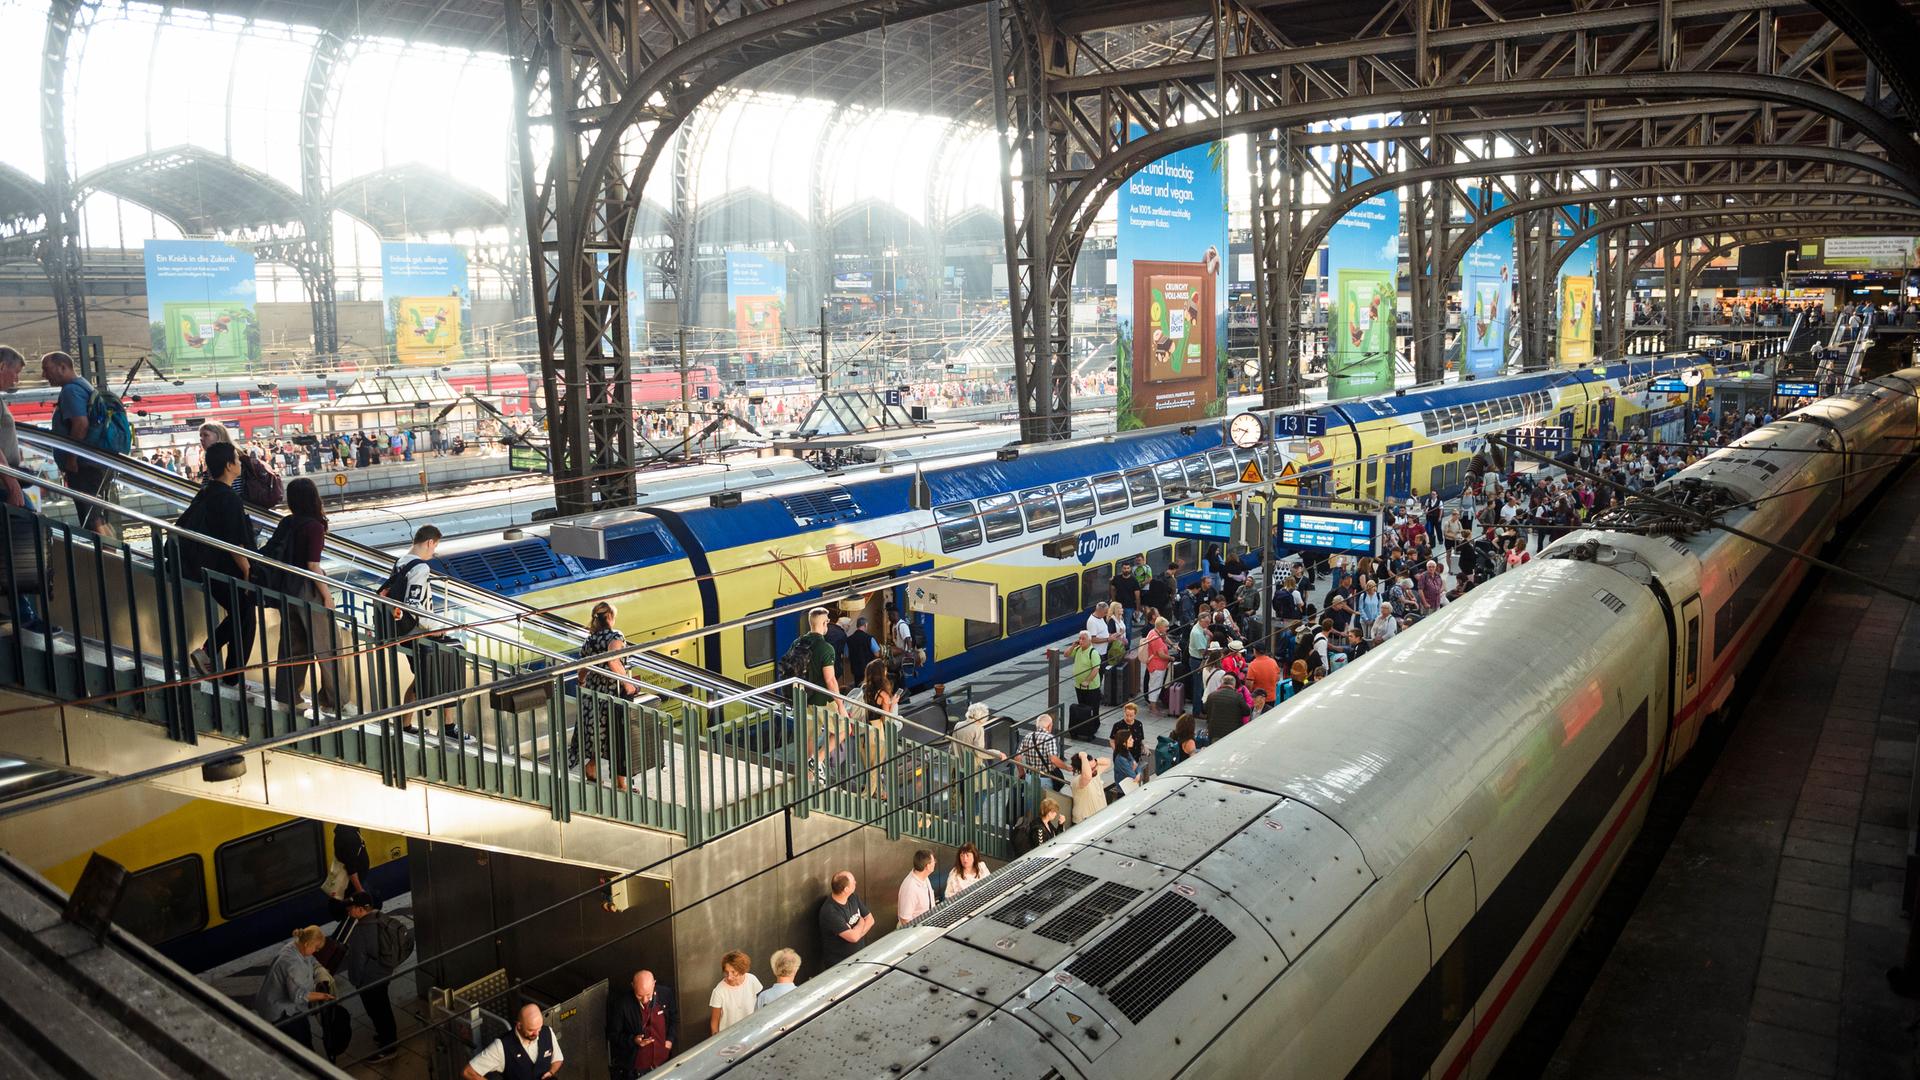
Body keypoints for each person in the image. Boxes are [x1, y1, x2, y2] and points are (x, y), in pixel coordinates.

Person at [181, 443, 257, 687]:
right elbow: (234, 543)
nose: (239, 462)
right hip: (226, 570)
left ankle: (225, 668)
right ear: (228, 465)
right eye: (236, 458)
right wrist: (247, 572)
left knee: (241, 614)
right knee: (245, 616)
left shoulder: (206, 492)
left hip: (206, 567)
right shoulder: (229, 498)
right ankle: (229, 674)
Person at [270, 477, 342, 712]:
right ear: (314, 498)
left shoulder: (288, 522)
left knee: (293, 645)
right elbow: (313, 565)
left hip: (286, 588)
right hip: (307, 589)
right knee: (328, 644)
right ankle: (333, 700)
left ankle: (289, 697)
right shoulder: (314, 527)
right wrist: (327, 596)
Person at [42, 351, 111, 535]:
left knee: (91, 519)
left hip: (83, 466)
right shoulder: (83, 385)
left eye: (46, 369)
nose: (44, 375)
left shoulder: (71, 390)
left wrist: (70, 459)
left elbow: (80, 425)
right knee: (97, 516)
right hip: (93, 462)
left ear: (62, 367)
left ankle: (108, 560)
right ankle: (113, 557)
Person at [571, 601, 636, 789]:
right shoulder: (616, 636)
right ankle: (620, 782)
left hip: (593, 692)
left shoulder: (590, 640)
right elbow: (613, 660)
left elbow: (582, 667)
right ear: (610, 618)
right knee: (618, 735)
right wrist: (628, 685)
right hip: (611, 692)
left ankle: (591, 768)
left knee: (599, 733)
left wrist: (582, 683)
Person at [333, 890, 401, 1062]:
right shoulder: (380, 918)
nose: (348, 911)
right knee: (383, 1008)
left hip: (370, 980)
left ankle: (389, 1046)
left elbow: (356, 963)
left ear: (360, 909)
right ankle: (387, 1036)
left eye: (351, 908)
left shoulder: (360, 932)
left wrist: (356, 981)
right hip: (384, 972)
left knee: (378, 1011)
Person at [254, 925, 332, 1051]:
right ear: (307, 944)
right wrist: (322, 996)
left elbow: (311, 959)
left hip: (273, 1003)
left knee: (299, 1040)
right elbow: (297, 995)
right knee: (302, 1043)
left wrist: (320, 970)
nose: (316, 951)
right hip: (281, 1012)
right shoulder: (293, 964)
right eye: (316, 948)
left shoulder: (294, 946)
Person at [800, 607, 848, 785]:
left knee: (810, 736)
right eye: (827, 621)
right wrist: (841, 706)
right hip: (822, 700)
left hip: (803, 699)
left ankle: (810, 775)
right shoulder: (825, 648)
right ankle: (818, 760)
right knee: (845, 728)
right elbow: (830, 680)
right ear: (824, 623)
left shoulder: (798, 642)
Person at [464, 1002, 562, 1080]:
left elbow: (558, 1059)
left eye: (539, 1028)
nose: (537, 1034)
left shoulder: (547, 1032)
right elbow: (468, 1072)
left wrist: (551, 1072)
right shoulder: (501, 1047)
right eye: (531, 1030)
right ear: (519, 1026)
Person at [607, 969, 675, 1078]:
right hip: (637, 1067)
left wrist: (670, 1039)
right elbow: (613, 1035)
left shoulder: (665, 994)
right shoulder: (622, 1004)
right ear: (633, 985)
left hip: (664, 1061)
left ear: (654, 984)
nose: (644, 1000)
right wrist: (633, 1040)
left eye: (648, 995)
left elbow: (673, 1017)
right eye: (639, 995)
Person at [818, 870, 874, 968]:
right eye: (853, 882)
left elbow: (870, 920)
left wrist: (856, 932)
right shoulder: (830, 912)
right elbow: (853, 938)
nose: (856, 883)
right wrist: (861, 921)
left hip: (860, 957)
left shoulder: (853, 897)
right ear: (846, 889)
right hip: (841, 965)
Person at [708, 950, 763, 1036]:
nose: (729, 977)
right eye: (726, 972)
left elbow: (759, 1007)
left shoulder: (752, 980)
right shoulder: (719, 991)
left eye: (733, 972)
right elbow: (714, 1022)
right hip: (728, 1037)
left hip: (751, 1033)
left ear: (742, 970)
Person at [1015, 712, 1071, 790]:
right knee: (1047, 801)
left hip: (1029, 778)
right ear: (1049, 726)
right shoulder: (1049, 738)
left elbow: (1017, 757)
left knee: (1030, 801)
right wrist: (1066, 767)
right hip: (1045, 779)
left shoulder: (1027, 736)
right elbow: (1053, 759)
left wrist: (1021, 772)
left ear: (1037, 725)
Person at [1204, 673, 1251, 744]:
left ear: (1222, 683)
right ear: (1234, 684)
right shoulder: (1238, 696)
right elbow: (1247, 711)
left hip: (1214, 732)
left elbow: (1204, 709)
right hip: (1231, 733)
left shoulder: (1212, 695)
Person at [897, 849, 937, 926]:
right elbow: (905, 919)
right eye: (933, 861)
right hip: (914, 932)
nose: (935, 863)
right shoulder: (910, 887)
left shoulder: (925, 877)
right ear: (928, 866)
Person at [1069, 630, 1102, 722]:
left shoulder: (1093, 653)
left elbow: (1095, 669)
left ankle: (1093, 726)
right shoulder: (1078, 649)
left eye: (1083, 639)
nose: (1081, 641)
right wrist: (1073, 646)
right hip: (1079, 686)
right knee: (1082, 707)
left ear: (1089, 640)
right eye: (1079, 638)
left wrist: (1087, 681)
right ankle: (1084, 725)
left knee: (1092, 708)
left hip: (1091, 688)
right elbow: (1066, 654)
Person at [1068, 752, 1110, 824]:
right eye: (1091, 768)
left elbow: (1108, 762)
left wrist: (1095, 761)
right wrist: (1083, 757)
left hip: (1098, 818)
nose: (1095, 769)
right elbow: (1087, 776)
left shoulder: (1095, 772)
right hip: (1084, 821)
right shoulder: (1078, 781)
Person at [1143, 616, 1173, 714]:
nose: (1167, 628)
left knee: (1155, 684)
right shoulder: (1156, 637)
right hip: (1157, 666)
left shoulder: (1154, 632)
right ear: (1160, 626)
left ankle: (1153, 705)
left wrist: (1172, 644)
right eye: (1166, 626)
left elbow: (1165, 637)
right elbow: (1161, 655)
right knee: (1155, 686)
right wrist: (1171, 658)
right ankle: (1153, 707)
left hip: (1156, 665)